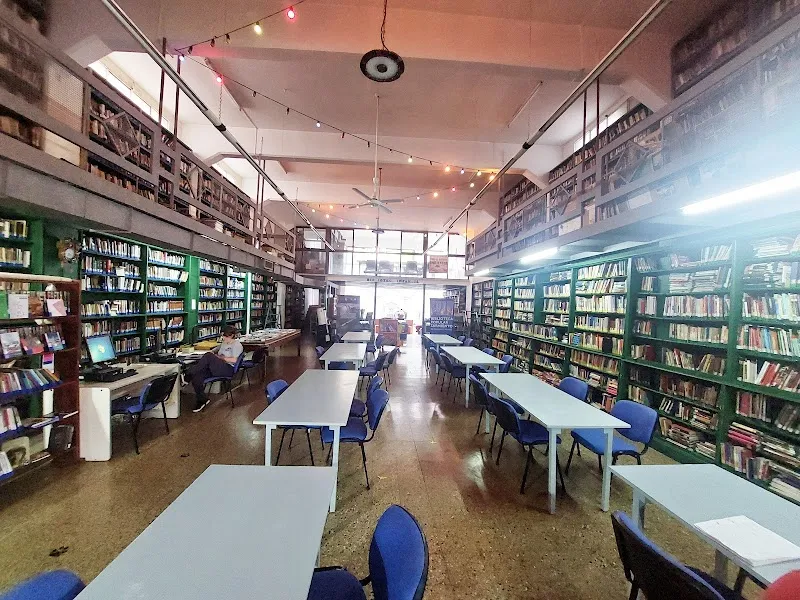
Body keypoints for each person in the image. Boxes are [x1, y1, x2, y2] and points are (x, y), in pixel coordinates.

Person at [186, 325, 243, 413]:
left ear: (231, 335)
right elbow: (214, 350)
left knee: (208, 357)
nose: (223, 337)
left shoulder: (237, 345)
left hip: (227, 369)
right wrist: (213, 353)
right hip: (217, 368)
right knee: (197, 376)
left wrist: (220, 358)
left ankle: (187, 375)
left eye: (225, 336)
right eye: (222, 335)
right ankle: (202, 400)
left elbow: (235, 360)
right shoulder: (224, 343)